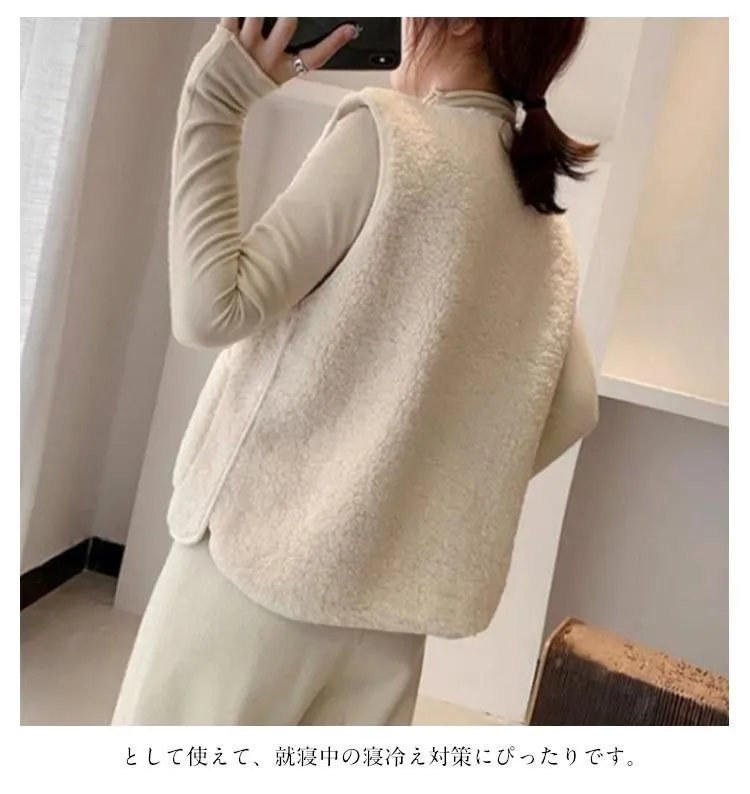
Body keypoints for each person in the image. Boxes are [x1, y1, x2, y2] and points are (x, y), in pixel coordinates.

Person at [113, 17, 599, 726]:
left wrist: (217, 101)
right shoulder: (545, 224)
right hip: (387, 623)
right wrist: (410, 481)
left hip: (257, 576)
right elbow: (576, 404)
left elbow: (212, 310)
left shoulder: (390, 136)